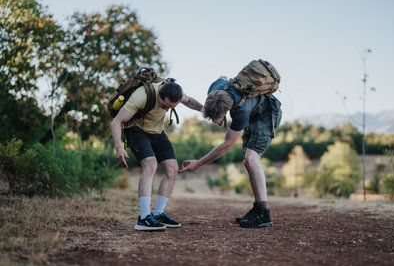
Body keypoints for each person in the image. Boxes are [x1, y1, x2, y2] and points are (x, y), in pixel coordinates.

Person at [179, 74, 282, 228]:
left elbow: (227, 144)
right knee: (247, 161)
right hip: (253, 112)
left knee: (251, 159)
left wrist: (199, 163)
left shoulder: (241, 110)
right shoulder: (214, 88)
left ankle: (263, 214)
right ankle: (258, 208)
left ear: (229, 109)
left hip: (267, 113)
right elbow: (223, 76)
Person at [111, 79, 202, 231]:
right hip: (136, 129)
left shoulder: (175, 92)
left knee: (172, 168)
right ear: (159, 93)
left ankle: (158, 214)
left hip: (157, 131)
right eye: (165, 106)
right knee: (150, 164)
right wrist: (119, 147)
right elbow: (116, 121)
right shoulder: (142, 96)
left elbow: (189, 101)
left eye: (171, 108)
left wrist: (207, 111)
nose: (167, 110)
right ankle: (144, 218)